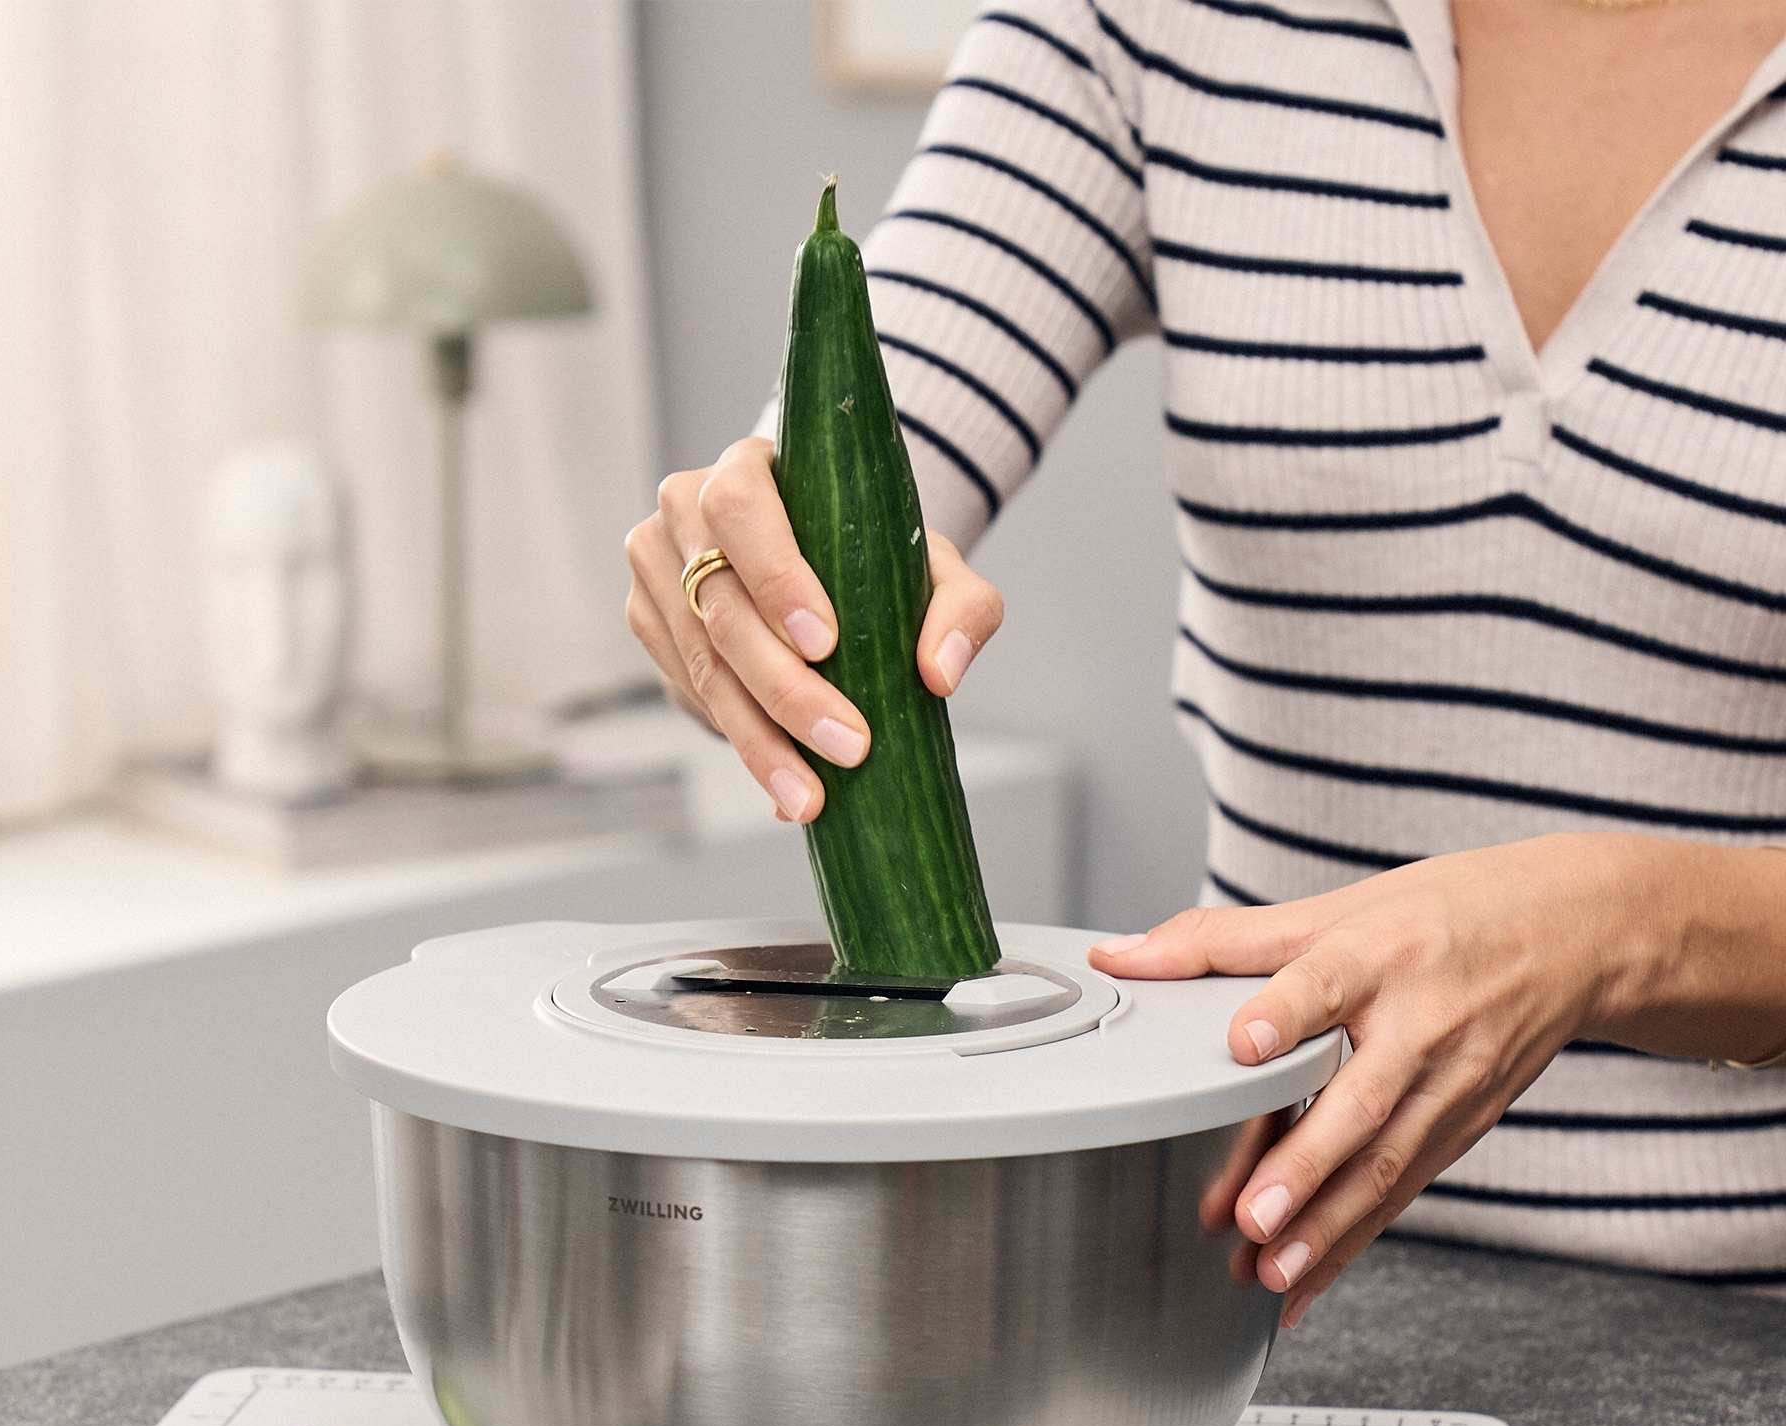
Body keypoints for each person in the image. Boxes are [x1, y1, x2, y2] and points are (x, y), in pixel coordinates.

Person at [625, 0, 1786, 1325]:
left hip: (1749, 1335)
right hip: (1247, 1275)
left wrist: (1624, 919)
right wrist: (736, 586)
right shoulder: (1164, 19)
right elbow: (859, 449)